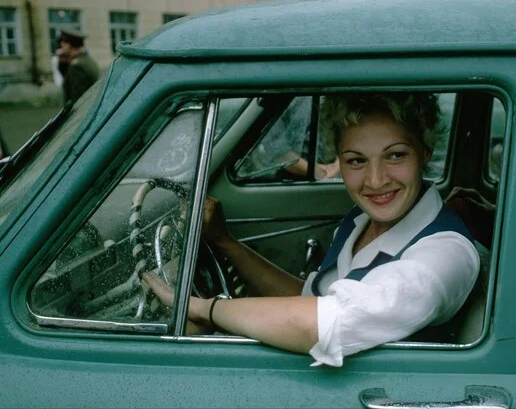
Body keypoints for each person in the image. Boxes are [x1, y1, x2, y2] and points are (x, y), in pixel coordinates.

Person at [143, 93, 480, 366]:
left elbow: (328, 320)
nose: (376, 180)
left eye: (395, 156)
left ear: (424, 154)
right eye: (356, 160)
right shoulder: (358, 221)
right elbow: (310, 300)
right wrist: (225, 242)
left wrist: (205, 309)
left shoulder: (444, 253)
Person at [57, 28, 100, 105]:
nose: (61, 47)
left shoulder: (77, 66)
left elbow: (76, 100)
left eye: (63, 44)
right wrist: (62, 63)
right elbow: (68, 80)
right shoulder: (85, 60)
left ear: (70, 45)